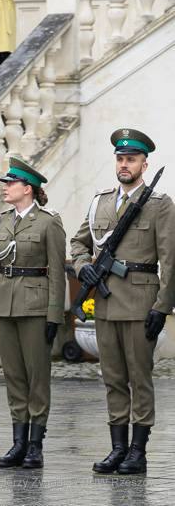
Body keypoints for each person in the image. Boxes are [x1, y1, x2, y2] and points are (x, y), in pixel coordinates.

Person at [71, 129, 175, 475]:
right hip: (104, 304)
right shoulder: (100, 201)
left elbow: (171, 260)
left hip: (140, 303)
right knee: (112, 377)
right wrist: (84, 266)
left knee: (139, 378)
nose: (124, 164)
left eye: (131, 159)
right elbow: (78, 243)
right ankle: (118, 447)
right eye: (120, 158)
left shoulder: (160, 205)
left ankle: (138, 451)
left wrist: (162, 306)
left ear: (145, 164)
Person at [0, 158, 65, 469]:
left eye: (11, 183)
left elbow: (57, 272)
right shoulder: (2, 221)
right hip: (3, 305)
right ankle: (18, 442)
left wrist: (54, 315)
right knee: (14, 376)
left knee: (37, 378)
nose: (5, 187)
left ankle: (35, 444)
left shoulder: (48, 222)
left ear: (27, 188)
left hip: (35, 306)